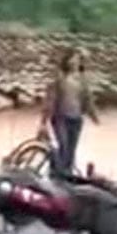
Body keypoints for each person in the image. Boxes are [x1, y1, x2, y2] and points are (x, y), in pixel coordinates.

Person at [38, 48, 99, 176]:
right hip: (60, 118)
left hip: (76, 119)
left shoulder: (83, 79)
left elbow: (88, 99)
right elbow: (50, 99)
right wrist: (43, 121)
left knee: (71, 150)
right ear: (67, 61)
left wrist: (94, 116)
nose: (75, 61)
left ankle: (67, 175)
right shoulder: (59, 78)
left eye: (77, 59)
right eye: (73, 58)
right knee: (63, 146)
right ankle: (58, 174)